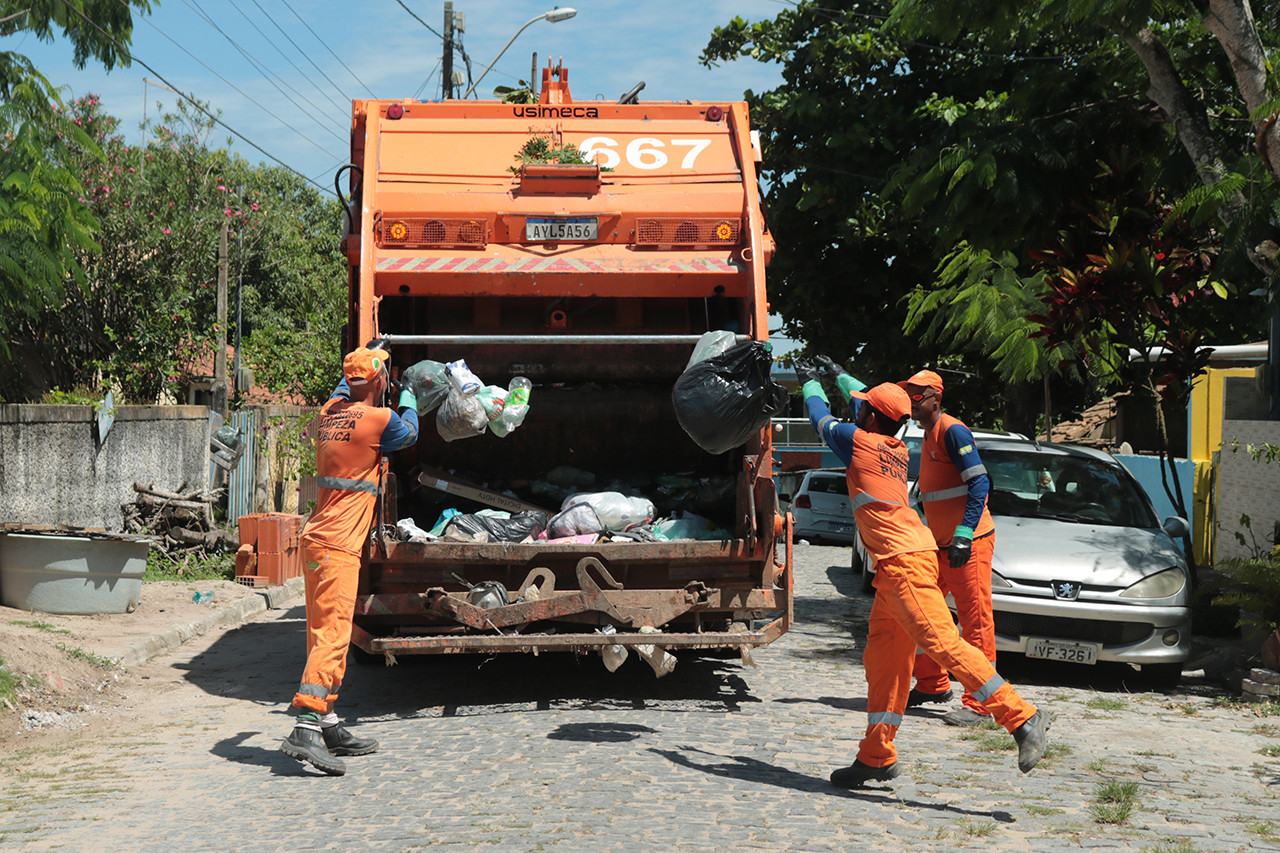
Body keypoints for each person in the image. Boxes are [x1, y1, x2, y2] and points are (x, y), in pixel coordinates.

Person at [795, 358, 1049, 787]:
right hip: (902, 563)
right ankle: (876, 755)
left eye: (862, 410)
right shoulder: (893, 445)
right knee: (884, 661)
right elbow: (875, 402)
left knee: (943, 643)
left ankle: (1022, 718)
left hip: (903, 563)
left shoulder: (859, 442)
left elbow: (820, 417)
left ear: (870, 418)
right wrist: (839, 374)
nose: (856, 412)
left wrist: (809, 384)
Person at [280, 342, 419, 776]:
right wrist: (409, 392)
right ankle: (306, 726)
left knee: (321, 630)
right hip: (339, 544)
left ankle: (329, 723)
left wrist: (371, 359)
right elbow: (410, 433)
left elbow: (346, 387)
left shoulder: (328, 415)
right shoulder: (381, 420)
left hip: (317, 538)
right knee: (334, 635)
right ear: (380, 380)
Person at [895, 368, 999, 727]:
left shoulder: (952, 430)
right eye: (909, 395)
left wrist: (965, 532)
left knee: (976, 623)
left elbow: (980, 482)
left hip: (967, 543)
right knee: (925, 613)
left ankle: (982, 704)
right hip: (941, 543)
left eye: (917, 396)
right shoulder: (926, 433)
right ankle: (932, 685)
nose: (911, 401)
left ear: (936, 399)